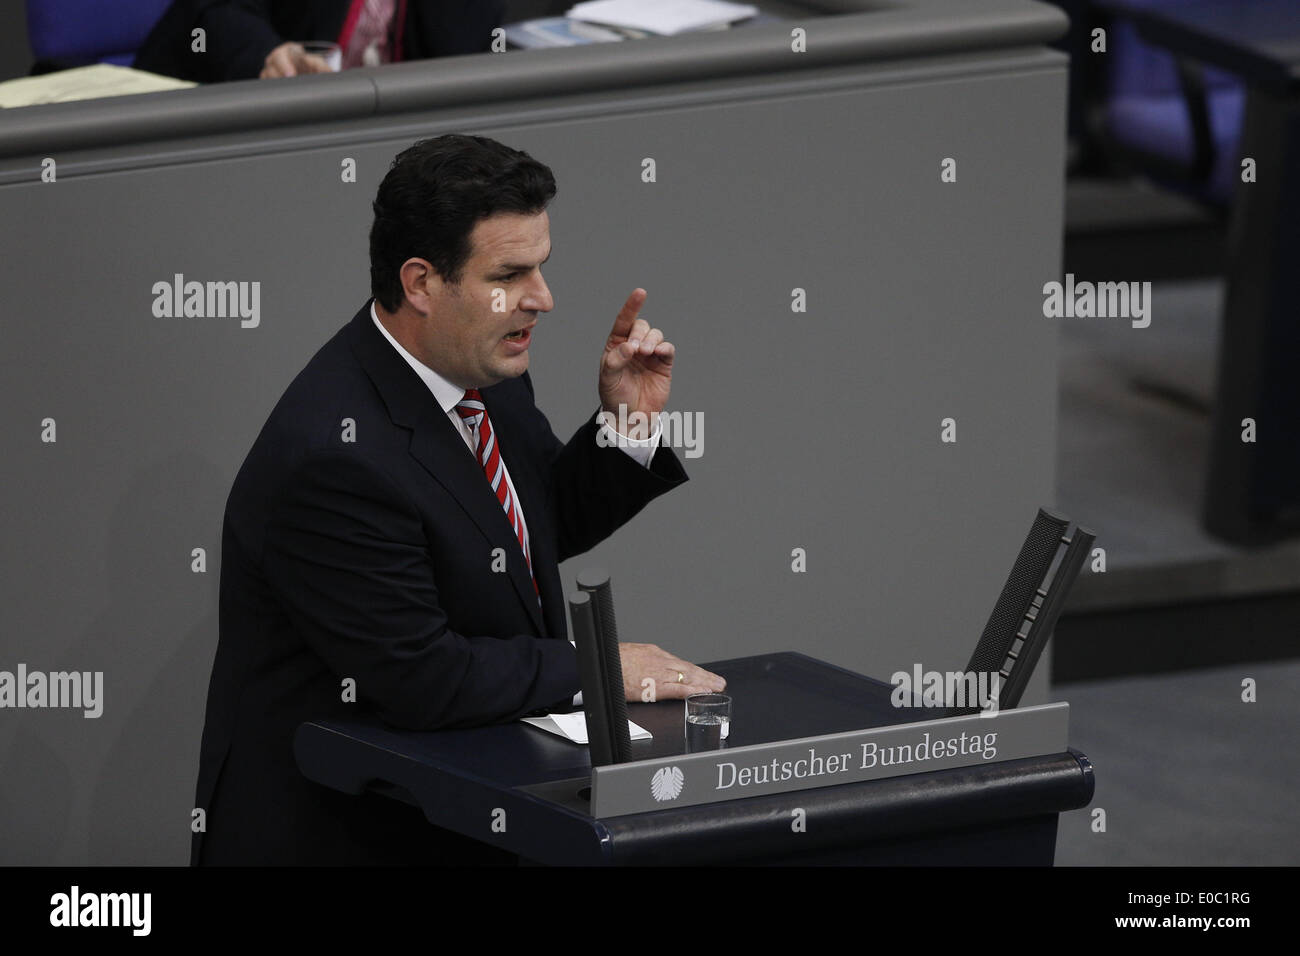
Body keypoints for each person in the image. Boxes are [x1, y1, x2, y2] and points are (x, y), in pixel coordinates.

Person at [193, 133, 724, 865]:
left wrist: (626, 424)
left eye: (541, 267)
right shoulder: (334, 455)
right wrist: (599, 668)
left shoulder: (481, 376)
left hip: (458, 809)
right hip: (343, 836)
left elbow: (525, 531)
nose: (543, 298)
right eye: (510, 274)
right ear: (420, 282)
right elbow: (423, 678)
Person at [133, 0, 505, 83]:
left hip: (396, 137)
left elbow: (464, 54)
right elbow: (217, 11)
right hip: (275, 119)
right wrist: (269, 53)